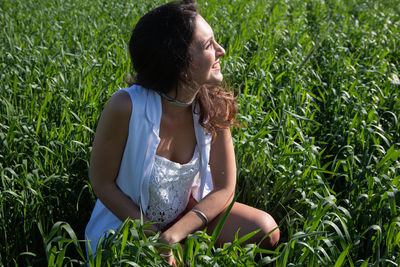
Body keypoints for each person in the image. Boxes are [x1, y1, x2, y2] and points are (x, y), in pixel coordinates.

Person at [85, 0, 279, 265]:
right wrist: (152, 236)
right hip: (128, 222)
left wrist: (176, 233)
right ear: (179, 62)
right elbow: (102, 183)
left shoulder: (214, 106)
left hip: (188, 215)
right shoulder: (125, 106)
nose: (221, 51)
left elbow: (224, 188)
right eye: (208, 45)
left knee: (265, 229)